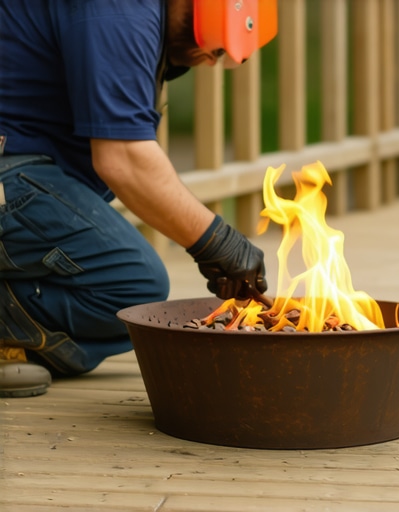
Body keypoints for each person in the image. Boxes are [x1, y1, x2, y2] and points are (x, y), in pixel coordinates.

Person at [0, 0, 277, 398]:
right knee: (131, 285)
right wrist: (218, 243)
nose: (211, 63)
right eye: (215, 48)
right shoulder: (120, 9)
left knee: (128, 297)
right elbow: (124, 158)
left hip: (17, 165)